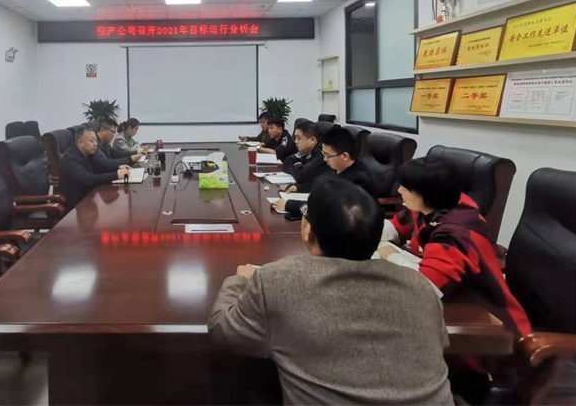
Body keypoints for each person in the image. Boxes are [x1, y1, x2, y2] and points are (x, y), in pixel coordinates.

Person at [208, 178, 453, 406]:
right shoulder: (421, 286)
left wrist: (239, 280)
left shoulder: (276, 281)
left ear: (307, 230)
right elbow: (439, 343)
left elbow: (223, 330)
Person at [379, 159, 531, 400]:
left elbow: (423, 286)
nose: (399, 190)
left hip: (490, 337)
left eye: (405, 187)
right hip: (451, 311)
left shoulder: (455, 233)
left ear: (423, 194)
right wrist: (358, 231)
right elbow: (397, 227)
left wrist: (389, 254)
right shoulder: (431, 208)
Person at [58, 126, 129, 209]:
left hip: (89, 196)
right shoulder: (70, 159)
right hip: (75, 205)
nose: (95, 144)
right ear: (80, 142)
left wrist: (118, 168)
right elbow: (88, 179)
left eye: (96, 140)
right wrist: (116, 175)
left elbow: (100, 168)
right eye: (91, 141)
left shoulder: (88, 154)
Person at [275, 121, 333, 219]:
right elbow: (287, 163)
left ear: (312, 140)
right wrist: (298, 187)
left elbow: (302, 175)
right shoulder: (306, 151)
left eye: (299, 138)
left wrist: (289, 205)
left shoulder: (321, 155)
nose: (295, 141)